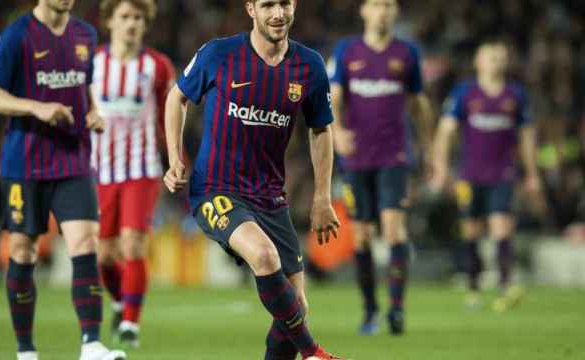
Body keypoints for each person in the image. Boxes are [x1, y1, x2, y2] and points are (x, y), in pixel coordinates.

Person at [163, 0, 344, 359]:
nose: (278, 13)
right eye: (268, 5)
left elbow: (321, 130)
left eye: (285, 4)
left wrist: (322, 198)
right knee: (263, 255)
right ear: (250, 9)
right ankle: (314, 354)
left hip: (270, 198)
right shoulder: (218, 54)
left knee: (296, 309)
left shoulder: (309, 66)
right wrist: (174, 158)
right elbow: (177, 97)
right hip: (215, 190)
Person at [0, 1, 126, 359]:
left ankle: (91, 344)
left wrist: (95, 111)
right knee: (22, 251)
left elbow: (84, 85)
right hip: (26, 164)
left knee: (86, 245)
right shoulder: (16, 36)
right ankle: (26, 351)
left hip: (74, 160)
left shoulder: (85, 34)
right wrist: (37, 107)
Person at [328, 0, 434, 335]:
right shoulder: (346, 51)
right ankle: (370, 310)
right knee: (361, 237)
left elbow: (419, 103)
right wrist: (337, 132)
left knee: (393, 230)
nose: (384, 11)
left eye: (389, 5)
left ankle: (397, 311)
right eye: (377, 4)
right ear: (364, 11)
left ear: (395, 12)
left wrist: (428, 146)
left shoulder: (407, 53)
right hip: (357, 158)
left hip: (394, 156)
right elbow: (332, 95)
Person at [430, 39, 540, 311]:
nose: (497, 61)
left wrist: (532, 172)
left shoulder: (516, 95)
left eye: (501, 57)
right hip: (470, 175)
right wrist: (441, 167)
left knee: (502, 227)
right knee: (471, 231)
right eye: (491, 56)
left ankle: (504, 285)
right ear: (479, 62)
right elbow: (445, 131)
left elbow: (526, 135)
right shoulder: (465, 93)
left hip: (502, 174)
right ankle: (473, 286)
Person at [91, 0, 175, 348]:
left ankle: (130, 324)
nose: (132, 24)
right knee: (103, 255)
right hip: (98, 170)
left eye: (139, 18)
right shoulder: (91, 62)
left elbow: (169, 115)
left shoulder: (156, 65)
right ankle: (118, 301)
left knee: (132, 244)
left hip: (141, 168)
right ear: (110, 21)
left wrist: (174, 158)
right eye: (125, 17)